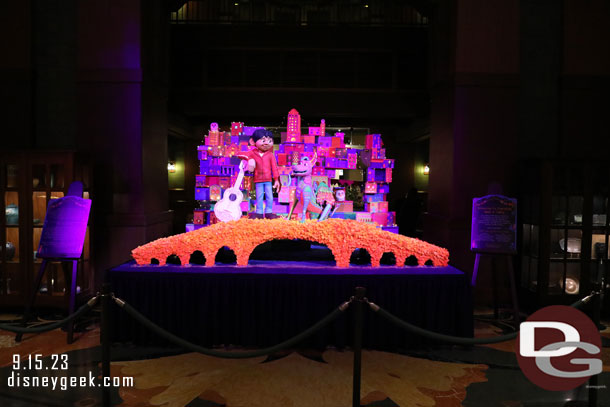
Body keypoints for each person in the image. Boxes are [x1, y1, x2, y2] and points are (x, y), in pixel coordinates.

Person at [236, 129, 281, 219]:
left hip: (268, 180)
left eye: (270, 141)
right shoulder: (252, 153)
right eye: (263, 140)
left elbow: (274, 168)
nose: (266, 143)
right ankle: (259, 213)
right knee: (259, 197)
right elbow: (239, 154)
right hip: (258, 180)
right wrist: (249, 160)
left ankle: (269, 212)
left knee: (270, 197)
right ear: (253, 141)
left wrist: (276, 180)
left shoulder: (270, 155)